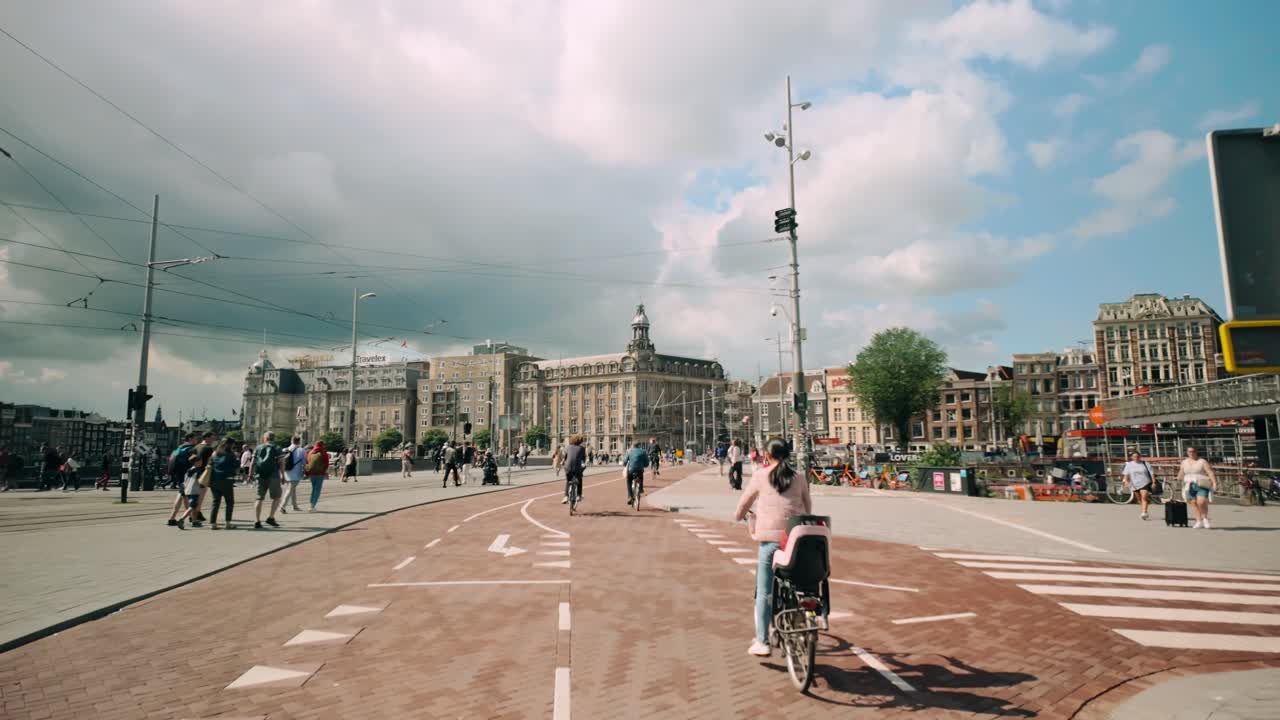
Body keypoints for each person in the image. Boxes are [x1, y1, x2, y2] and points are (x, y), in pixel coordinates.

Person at [733, 437, 812, 658]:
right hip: (795, 540)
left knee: (764, 591)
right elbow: (807, 507)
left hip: (769, 541)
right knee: (797, 579)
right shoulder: (800, 478)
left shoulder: (760, 475)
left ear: (767, 456)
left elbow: (745, 502)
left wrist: (738, 516)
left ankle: (762, 641)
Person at [1178, 446, 1217, 529]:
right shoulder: (1184, 462)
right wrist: (1178, 478)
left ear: (1196, 452)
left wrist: (1214, 482)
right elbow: (1181, 472)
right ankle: (1198, 520)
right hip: (1189, 485)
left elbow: (1209, 472)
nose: (1191, 453)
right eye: (1189, 451)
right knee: (1193, 503)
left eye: (1193, 451)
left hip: (1201, 484)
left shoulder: (1202, 461)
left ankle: (1205, 518)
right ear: (1187, 452)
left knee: (1201, 502)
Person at [251, 432, 283, 530]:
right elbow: (282, 463)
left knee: (259, 498)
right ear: (273, 438)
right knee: (277, 497)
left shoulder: (258, 448)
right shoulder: (277, 448)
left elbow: (252, 462)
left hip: (260, 476)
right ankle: (271, 517)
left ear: (264, 438)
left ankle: (257, 521)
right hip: (274, 476)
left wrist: (250, 474)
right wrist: (283, 475)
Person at [207, 438, 240, 529]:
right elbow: (236, 466)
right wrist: (237, 459)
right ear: (230, 444)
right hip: (226, 480)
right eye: (232, 444)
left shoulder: (215, 453)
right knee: (229, 502)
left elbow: (209, 464)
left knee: (215, 502)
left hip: (214, 480)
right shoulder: (231, 454)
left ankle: (213, 523)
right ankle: (228, 523)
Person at [1121, 450, 1155, 520]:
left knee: (1144, 497)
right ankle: (1143, 510)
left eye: (1137, 456)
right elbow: (1126, 474)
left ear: (1140, 456)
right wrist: (1126, 481)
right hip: (1134, 484)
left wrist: (1154, 482)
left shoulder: (1145, 463)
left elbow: (1152, 473)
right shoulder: (1129, 465)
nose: (1136, 457)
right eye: (1134, 456)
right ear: (1131, 457)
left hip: (1145, 482)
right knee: (1139, 499)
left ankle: (1144, 512)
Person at [280, 436, 307, 514]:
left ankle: (295, 505)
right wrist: (305, 471)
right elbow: (304, 462)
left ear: (291, 441)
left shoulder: (285, 449)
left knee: (292, 489)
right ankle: (282, 506)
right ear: (299, 441)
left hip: (286, 472)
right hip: (295, 472)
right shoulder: (301, 450)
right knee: (290, 490)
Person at [305, 441, 330, 511]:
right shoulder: (323, 452)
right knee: (317, 490)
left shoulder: (310, 452)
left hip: (312, 473)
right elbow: (327, 464)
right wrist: (324, 472)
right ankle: (312, 506)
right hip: (320, 474)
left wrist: (307, 473)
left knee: (313, 489)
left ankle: (311, 504)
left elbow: (307, 462)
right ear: (322, 445)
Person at [561, 434, 586, 504]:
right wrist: (583, 465)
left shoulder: (568, 447)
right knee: (580, 479)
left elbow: (564, 458)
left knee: (568, 481)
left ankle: (565, 496)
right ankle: (579, 495)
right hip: (577, 468)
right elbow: (583, 460)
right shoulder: (582, 448)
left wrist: (563, 463)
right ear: (580, 441)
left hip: (568, 467)